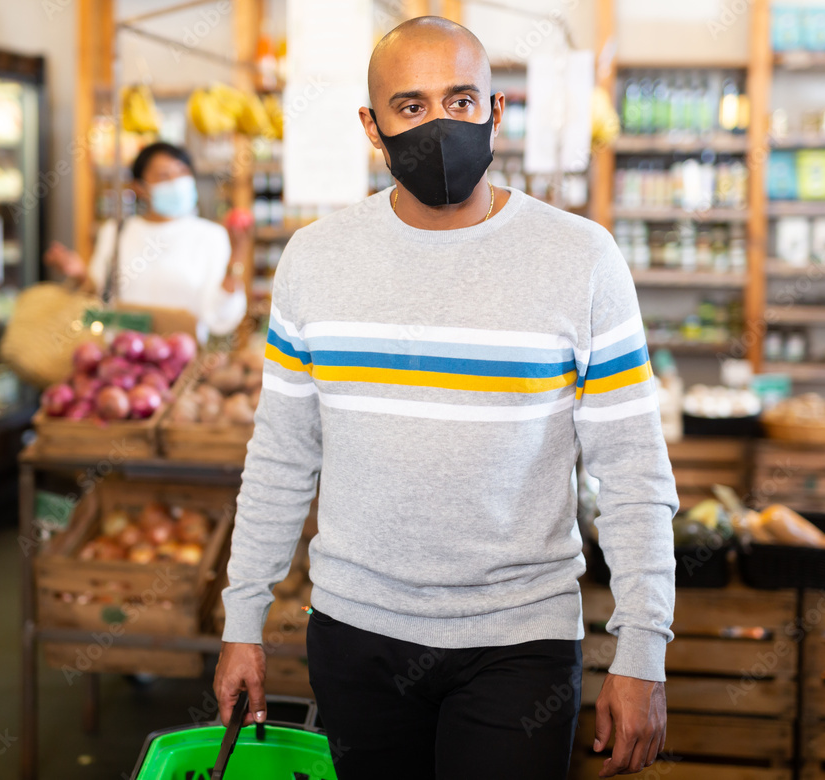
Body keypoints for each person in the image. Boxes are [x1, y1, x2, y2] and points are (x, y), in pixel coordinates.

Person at [214, 16, 676, 780]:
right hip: (356, 632)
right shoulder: (314, 260)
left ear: (497, 113)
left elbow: (632, 471)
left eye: (462, 102)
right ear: (373, 125)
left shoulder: (581, 257)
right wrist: (243, 618)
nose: (440, 124)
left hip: (520, 640)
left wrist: (643, 648)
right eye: (411, 106)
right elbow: (282, 455)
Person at [44, 141, 248, 342]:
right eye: (164, 176)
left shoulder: (211, 235)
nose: (176, 182)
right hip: (122, 358)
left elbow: (221, 316)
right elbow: (99, 298)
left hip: (184, 359)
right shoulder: (116, 232)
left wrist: (236, 257)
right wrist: (79, 273)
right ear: (139, 187)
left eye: (183, 172)